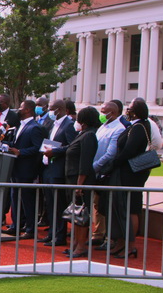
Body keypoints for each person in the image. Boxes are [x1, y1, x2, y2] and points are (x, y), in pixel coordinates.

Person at [108, 99, 153, 258]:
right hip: (126, 172)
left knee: (131, 208)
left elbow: (129, 151)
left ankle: (130, 245)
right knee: (122, 209)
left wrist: (113, 163)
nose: (127, 110)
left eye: (130, 108)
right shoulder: (135, 126)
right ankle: (121, 242)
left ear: (136, 111)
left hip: (132, 174)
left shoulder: (140, 127)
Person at [2, 100, 45, 239]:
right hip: (16, 168)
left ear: (27, 110)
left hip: (26, 169)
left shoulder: (34, 127)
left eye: (20, 108)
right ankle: (16, 226)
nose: (18, 110)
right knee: (15, 198)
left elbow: (38, 147)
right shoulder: (19, 126)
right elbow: (15, 143)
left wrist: (20, 152)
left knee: (27, 200)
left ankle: (31, 229)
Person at [63, 106, 100, 257]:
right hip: (73, 179)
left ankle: (81, 246)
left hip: (81, 181)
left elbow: (85, 162)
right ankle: (75, 243)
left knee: (82, 215)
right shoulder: (83, 134)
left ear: (83, 121)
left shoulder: (89, 136)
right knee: (75, 215)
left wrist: (80, 184)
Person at [40, 99, 77, 246]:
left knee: (58, 204)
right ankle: (51, 233)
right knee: (49, 203)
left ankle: (60, 236)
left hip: (58, 169)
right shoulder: (52, 125)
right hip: (48, 167)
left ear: (60, 109)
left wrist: (55, 151)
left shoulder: (69, 125)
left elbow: (72, 146)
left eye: (51, 109)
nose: (49, 111)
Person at [91, 100, 127, 248]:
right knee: (97, 204)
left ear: (113, 113)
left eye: (104, 111)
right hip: (97, 172)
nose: (101, 114)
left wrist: (95, 167)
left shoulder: (118, 129)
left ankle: (108, 237)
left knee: (106, 205)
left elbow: (110, 153)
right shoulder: (103, 126)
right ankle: (98, 234)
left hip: (106, 172)